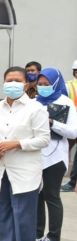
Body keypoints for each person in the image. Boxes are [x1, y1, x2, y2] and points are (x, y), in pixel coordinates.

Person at [0, 66, 50, 241]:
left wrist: (16, 144)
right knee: (2, 215)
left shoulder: (35, 108)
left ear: (25, 84)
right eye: (8, 80)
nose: (12, 83)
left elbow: (43, 139)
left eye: (16, 80)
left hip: (24, 172)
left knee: (24, 218)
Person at [33, 68, 77, 241]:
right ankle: (36, 234)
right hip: (35, 156)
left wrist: (52, 122)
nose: (42, 88)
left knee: (51, 195)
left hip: (55, 158)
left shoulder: (65, 102)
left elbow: (73, 131)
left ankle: (54, 237)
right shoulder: (34, 102)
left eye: (47, 84)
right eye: (40, 84)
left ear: (55, 84)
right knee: (36, 196)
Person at [61, 59, 77, 192]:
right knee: (62, 149)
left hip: (70, 125)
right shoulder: (68, 86)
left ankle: (73, 183)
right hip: (71, 125)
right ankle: (67, 181)